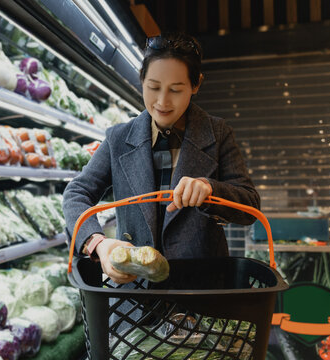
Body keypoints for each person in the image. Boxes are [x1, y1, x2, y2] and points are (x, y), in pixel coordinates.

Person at [63, 33, 260, 284]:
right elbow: (77, 193)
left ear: (196, 84)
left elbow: (250, 207)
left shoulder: (218, 134)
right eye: (153, 87)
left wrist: (209, 189)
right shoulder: (118, 139)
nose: (162, 102)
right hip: (133, 296)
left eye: (176, 90)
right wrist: (98, 244)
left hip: (201, 290)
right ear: (141, 79)